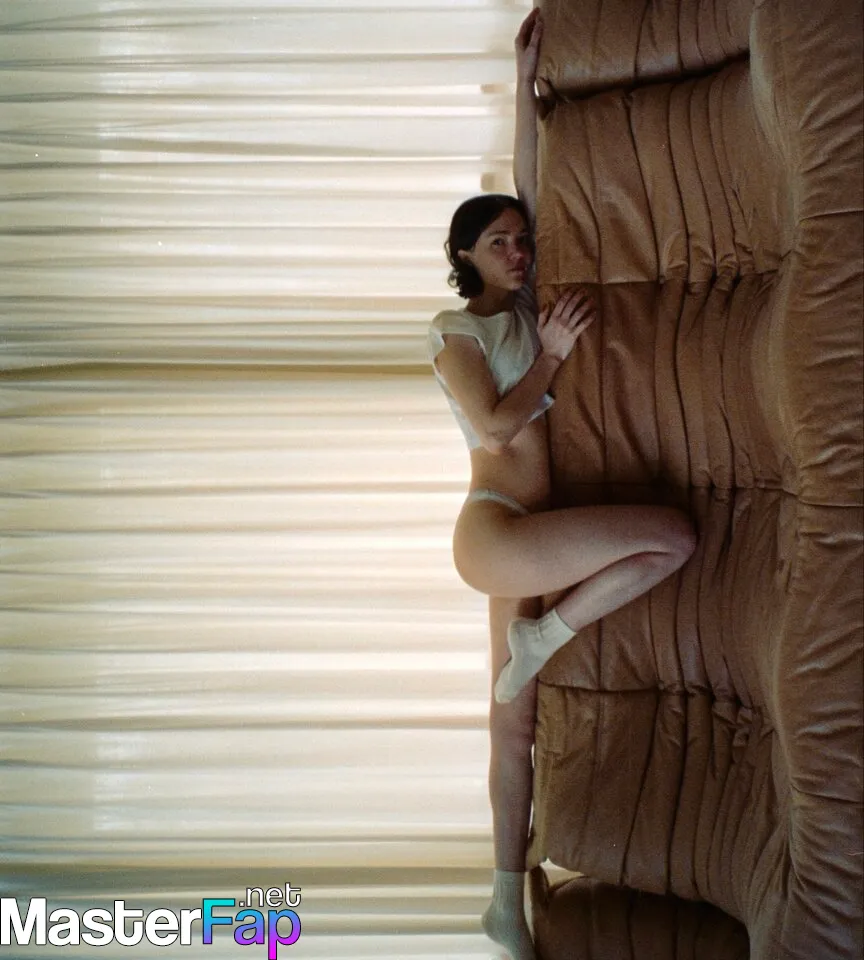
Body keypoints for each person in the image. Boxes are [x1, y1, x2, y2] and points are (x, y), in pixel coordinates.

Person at [426, 9, 698, 960]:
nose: (517, 248)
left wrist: (524, 83)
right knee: (673, 537)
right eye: (497, 242)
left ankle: (503, 902)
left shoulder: (529, 306)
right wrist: (550, 357)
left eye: (518, 239)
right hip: (495, 528)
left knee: (514, 726)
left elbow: (529, 182)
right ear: (465, 257)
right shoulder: (456, 333)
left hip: (527, 533)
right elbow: (499, 425)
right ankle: (544, 634)